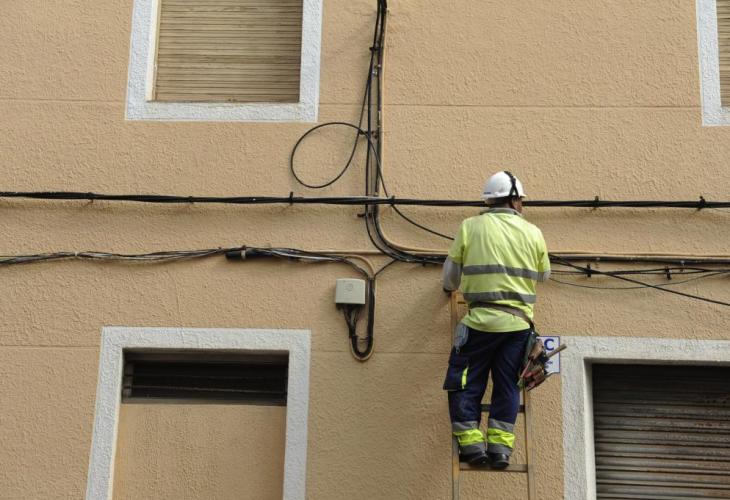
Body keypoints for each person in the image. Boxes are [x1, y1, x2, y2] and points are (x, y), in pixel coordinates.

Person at [441, 171, 550, 469]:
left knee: (465, 383)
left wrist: (453, 287)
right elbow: (544, 275)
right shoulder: (533, 232)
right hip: (518, 327)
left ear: (489, 200)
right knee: (508, 386)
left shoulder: (470, 227)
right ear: (514, 200)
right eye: (522, 200)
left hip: (479, 322)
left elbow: (450, 279)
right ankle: (501, 450)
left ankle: (472, 447)